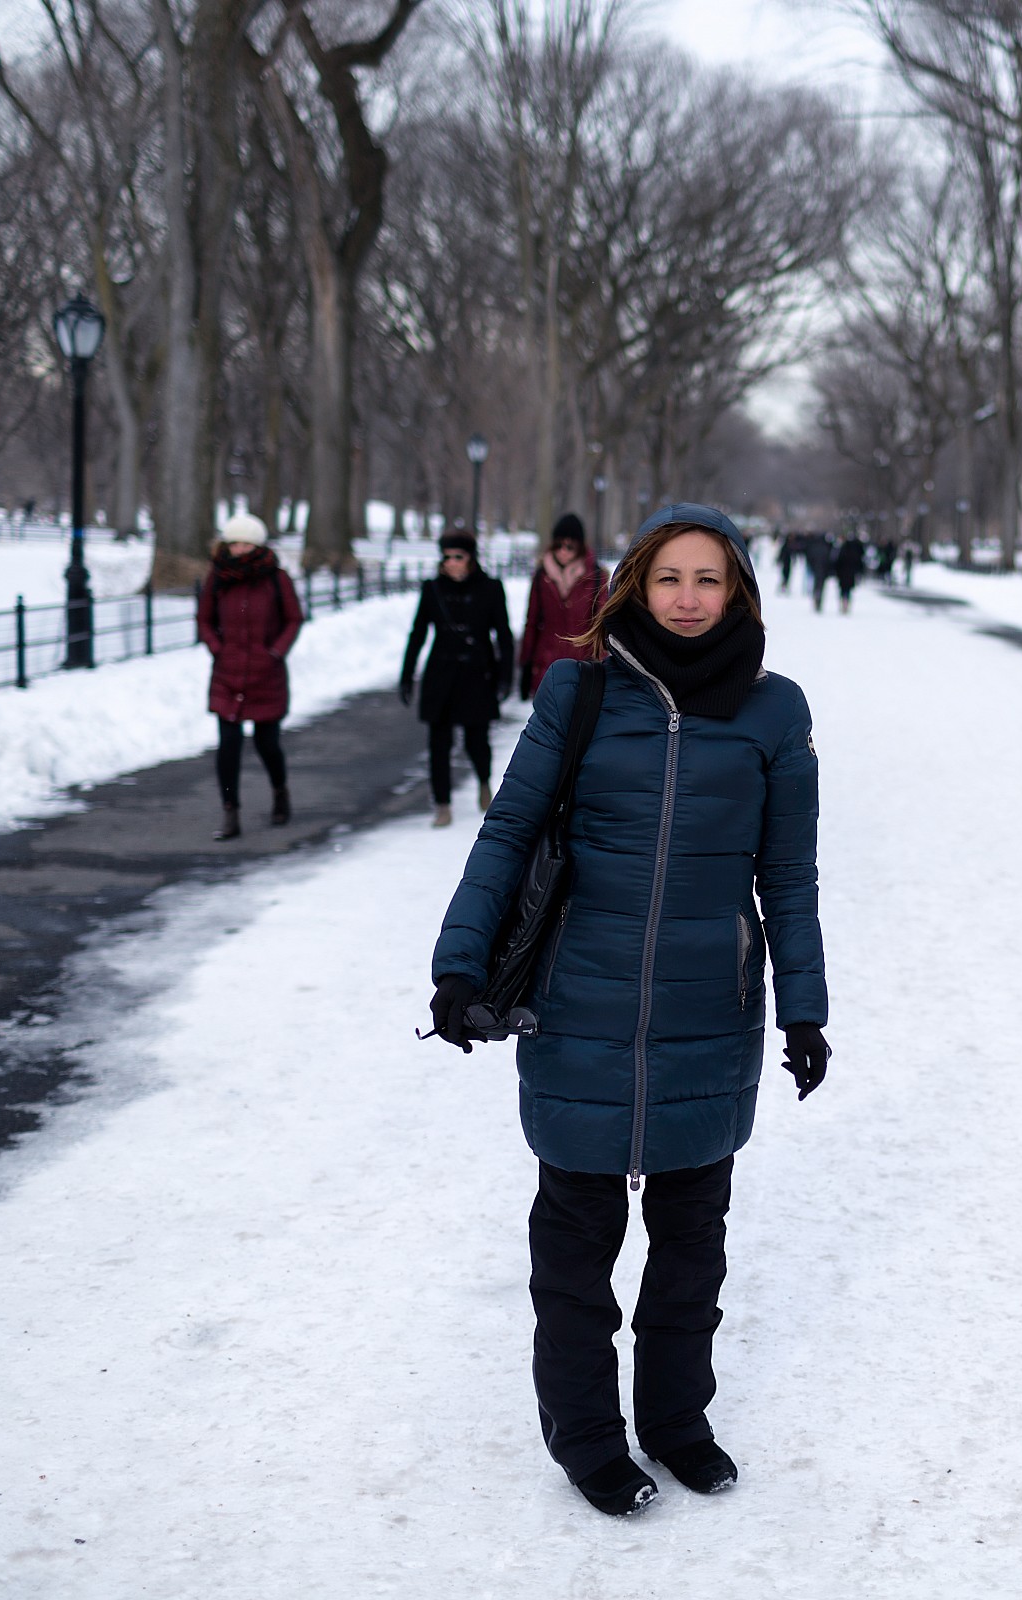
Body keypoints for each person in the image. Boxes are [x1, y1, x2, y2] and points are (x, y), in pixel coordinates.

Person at [425, 502, 831, 1520]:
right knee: (574, 1254)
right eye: (669, 578)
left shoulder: (777, 713)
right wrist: (458, 966)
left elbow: (788, 878)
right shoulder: (582, 691)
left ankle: (676, 1423)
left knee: (693, 1248)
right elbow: (510, 829)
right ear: (635, 585)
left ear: (738, 590)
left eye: (710, 579)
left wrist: (804, 1011)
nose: (689, 598)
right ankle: (588, 1439)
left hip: (711, 1015)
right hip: (578, 1010)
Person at [197, 510, 302, 841]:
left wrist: (275, 652)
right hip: (227, 674)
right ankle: (231, 812)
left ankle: (279, 793)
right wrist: (217, 647)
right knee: (228, 745)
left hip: (265, 675)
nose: (238, 550)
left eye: (245, 543)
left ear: (256, 545)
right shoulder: (218, 577)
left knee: (266, 743)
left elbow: (294, 618)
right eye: (233, 543)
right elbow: (203, 619)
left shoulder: (275, 578)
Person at [401, 527, 515, 828]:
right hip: (441, 673)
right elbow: (418, 632)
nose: (451, 562)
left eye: (458, 556)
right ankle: (442, 804)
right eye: (446, 556)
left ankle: (483, 781)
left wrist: (505, 676)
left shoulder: (490, 588)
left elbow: (503, 633)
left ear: (470, 558)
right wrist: (406, 673)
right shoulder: (433, 588)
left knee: (477, 740)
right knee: (439, 743)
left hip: (477, 673)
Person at [519, 514, 607, 699]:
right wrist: (526, 664)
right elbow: (532, 621)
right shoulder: (541, 576)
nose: (563, 551)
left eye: (570, 546)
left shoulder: (597, 576)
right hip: (546, 666)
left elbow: (603, 624)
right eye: (558, 545)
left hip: (584, 667)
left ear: (580, 547)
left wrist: (602, 663)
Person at [832, 534, 867, 614]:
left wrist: (836, 572)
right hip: (850, 575)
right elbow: (859, 564)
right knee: (848, 590)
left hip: (842, 574)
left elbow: (837, 562)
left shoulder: (842, 550)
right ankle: (846, 603)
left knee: (843, 590)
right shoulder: (855, 553)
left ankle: (843, 603)